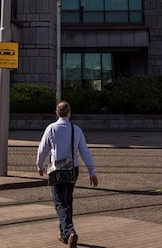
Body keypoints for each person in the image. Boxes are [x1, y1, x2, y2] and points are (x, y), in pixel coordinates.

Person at [36, 101, 98, 248]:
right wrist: (92, 171)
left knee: (59, 203)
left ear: (57, 113)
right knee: (67, 201)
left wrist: (39, 165)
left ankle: (70, 231)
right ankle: (64, 235)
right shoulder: (76, 130)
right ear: (69, 113)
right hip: (72, 170)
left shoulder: (51, 128)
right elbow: (84, 151)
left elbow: (42, 148)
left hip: (57, 170)